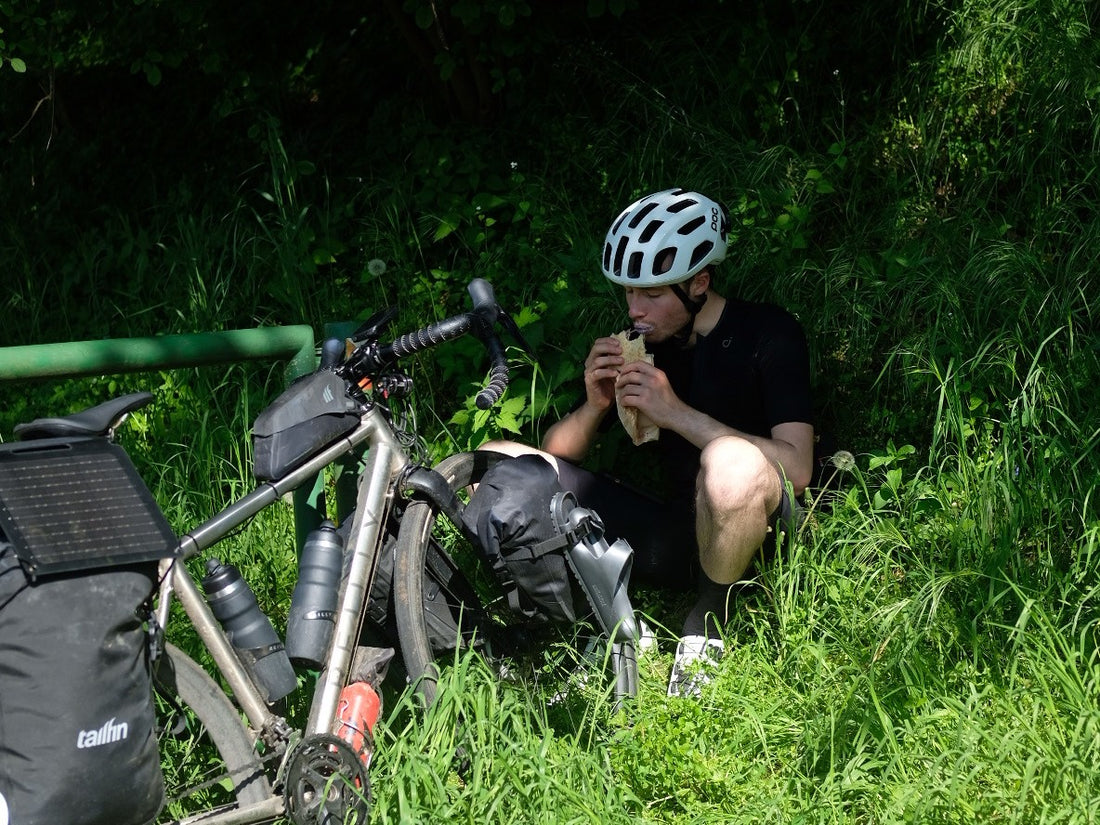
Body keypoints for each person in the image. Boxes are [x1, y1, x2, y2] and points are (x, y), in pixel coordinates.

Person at [481, 187, 815, 695]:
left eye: (653, 294)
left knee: (731, 464)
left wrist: (675, 413)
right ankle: (562, 617)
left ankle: (708, 618)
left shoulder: (769, 333)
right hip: (673, 531)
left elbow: (798, 468)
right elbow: (554, 454)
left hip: (756, 533)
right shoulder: (641, 347)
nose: (636, 309)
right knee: (498, 462)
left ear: (699, 283)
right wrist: (594, 405)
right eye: (629, 292)